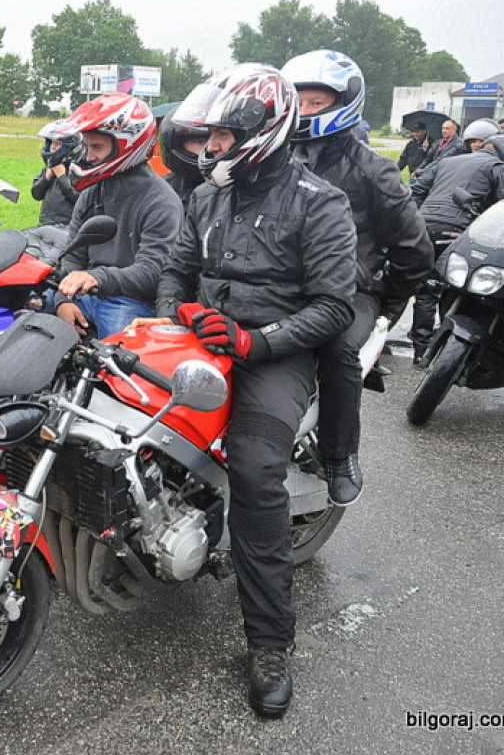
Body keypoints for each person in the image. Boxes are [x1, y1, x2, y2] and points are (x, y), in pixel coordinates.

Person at [139, 64, 357, 717]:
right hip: (199, 336)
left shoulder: (321, 202)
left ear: (262, 133)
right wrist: (178, 315)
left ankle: (269, 644)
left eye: (223, 138)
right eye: (209, 137)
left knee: (258, 471)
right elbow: (177, 269)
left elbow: (333, 307)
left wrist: (250, 343)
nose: (210, 149)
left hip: (273, 352)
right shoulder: (206, 197)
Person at [281, 49, 433, 506]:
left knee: (340, 346)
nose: (305, 112)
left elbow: (415, 251)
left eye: (315, 103)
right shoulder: (276, 157)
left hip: (350, 289)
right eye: (299, 103)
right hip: (282, 280)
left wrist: (383, 304)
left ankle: (339, 455)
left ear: (343, 102)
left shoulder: (374, 169)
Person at [51, 92, 183, 338]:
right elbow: (71, 256)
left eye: (97, 147)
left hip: (129, 301)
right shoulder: (92, 193)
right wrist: (62, 300)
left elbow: (154, 271)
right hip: (87, 294)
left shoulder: (161, 202)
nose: (89, 157)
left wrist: (95, 277)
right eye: (88, 146)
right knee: (27, 314)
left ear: (127, 145)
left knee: (118, 361)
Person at [408, 121, 504, 361]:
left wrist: (416, 219)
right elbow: (500, 208)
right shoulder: (496, 167)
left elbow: (416, 188)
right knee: (451, 287)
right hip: (456, 231)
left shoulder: (447, 161)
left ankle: (420, 351)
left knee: (424, 289)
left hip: (422, 227)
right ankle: (445, 347)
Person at [30, 119, 81, 226]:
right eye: (51, 143)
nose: (52, 148)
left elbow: (79, 200)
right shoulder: (49, 168)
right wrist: (46, 178)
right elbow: (36, 194)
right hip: (46, 223)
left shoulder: (78, 171)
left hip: (68, 226)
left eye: (58, 144)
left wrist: (62, 177)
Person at [158, 108, 208, 206]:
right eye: (200, 141)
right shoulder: (160, 194)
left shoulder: (235, 190)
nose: (211, 148)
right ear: (177, 143)